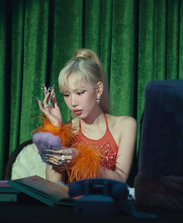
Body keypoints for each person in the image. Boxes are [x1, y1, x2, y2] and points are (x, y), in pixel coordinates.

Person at [35, 49, 137, 184]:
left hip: (106, 204)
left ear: (98, 89)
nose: (73, 103)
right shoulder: (67, 131)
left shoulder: (125, 125)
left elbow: (120, 180)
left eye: (80, 93)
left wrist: (78, 157)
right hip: (71, 204)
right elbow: (54, 185)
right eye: (66, 95)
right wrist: (56, 130)